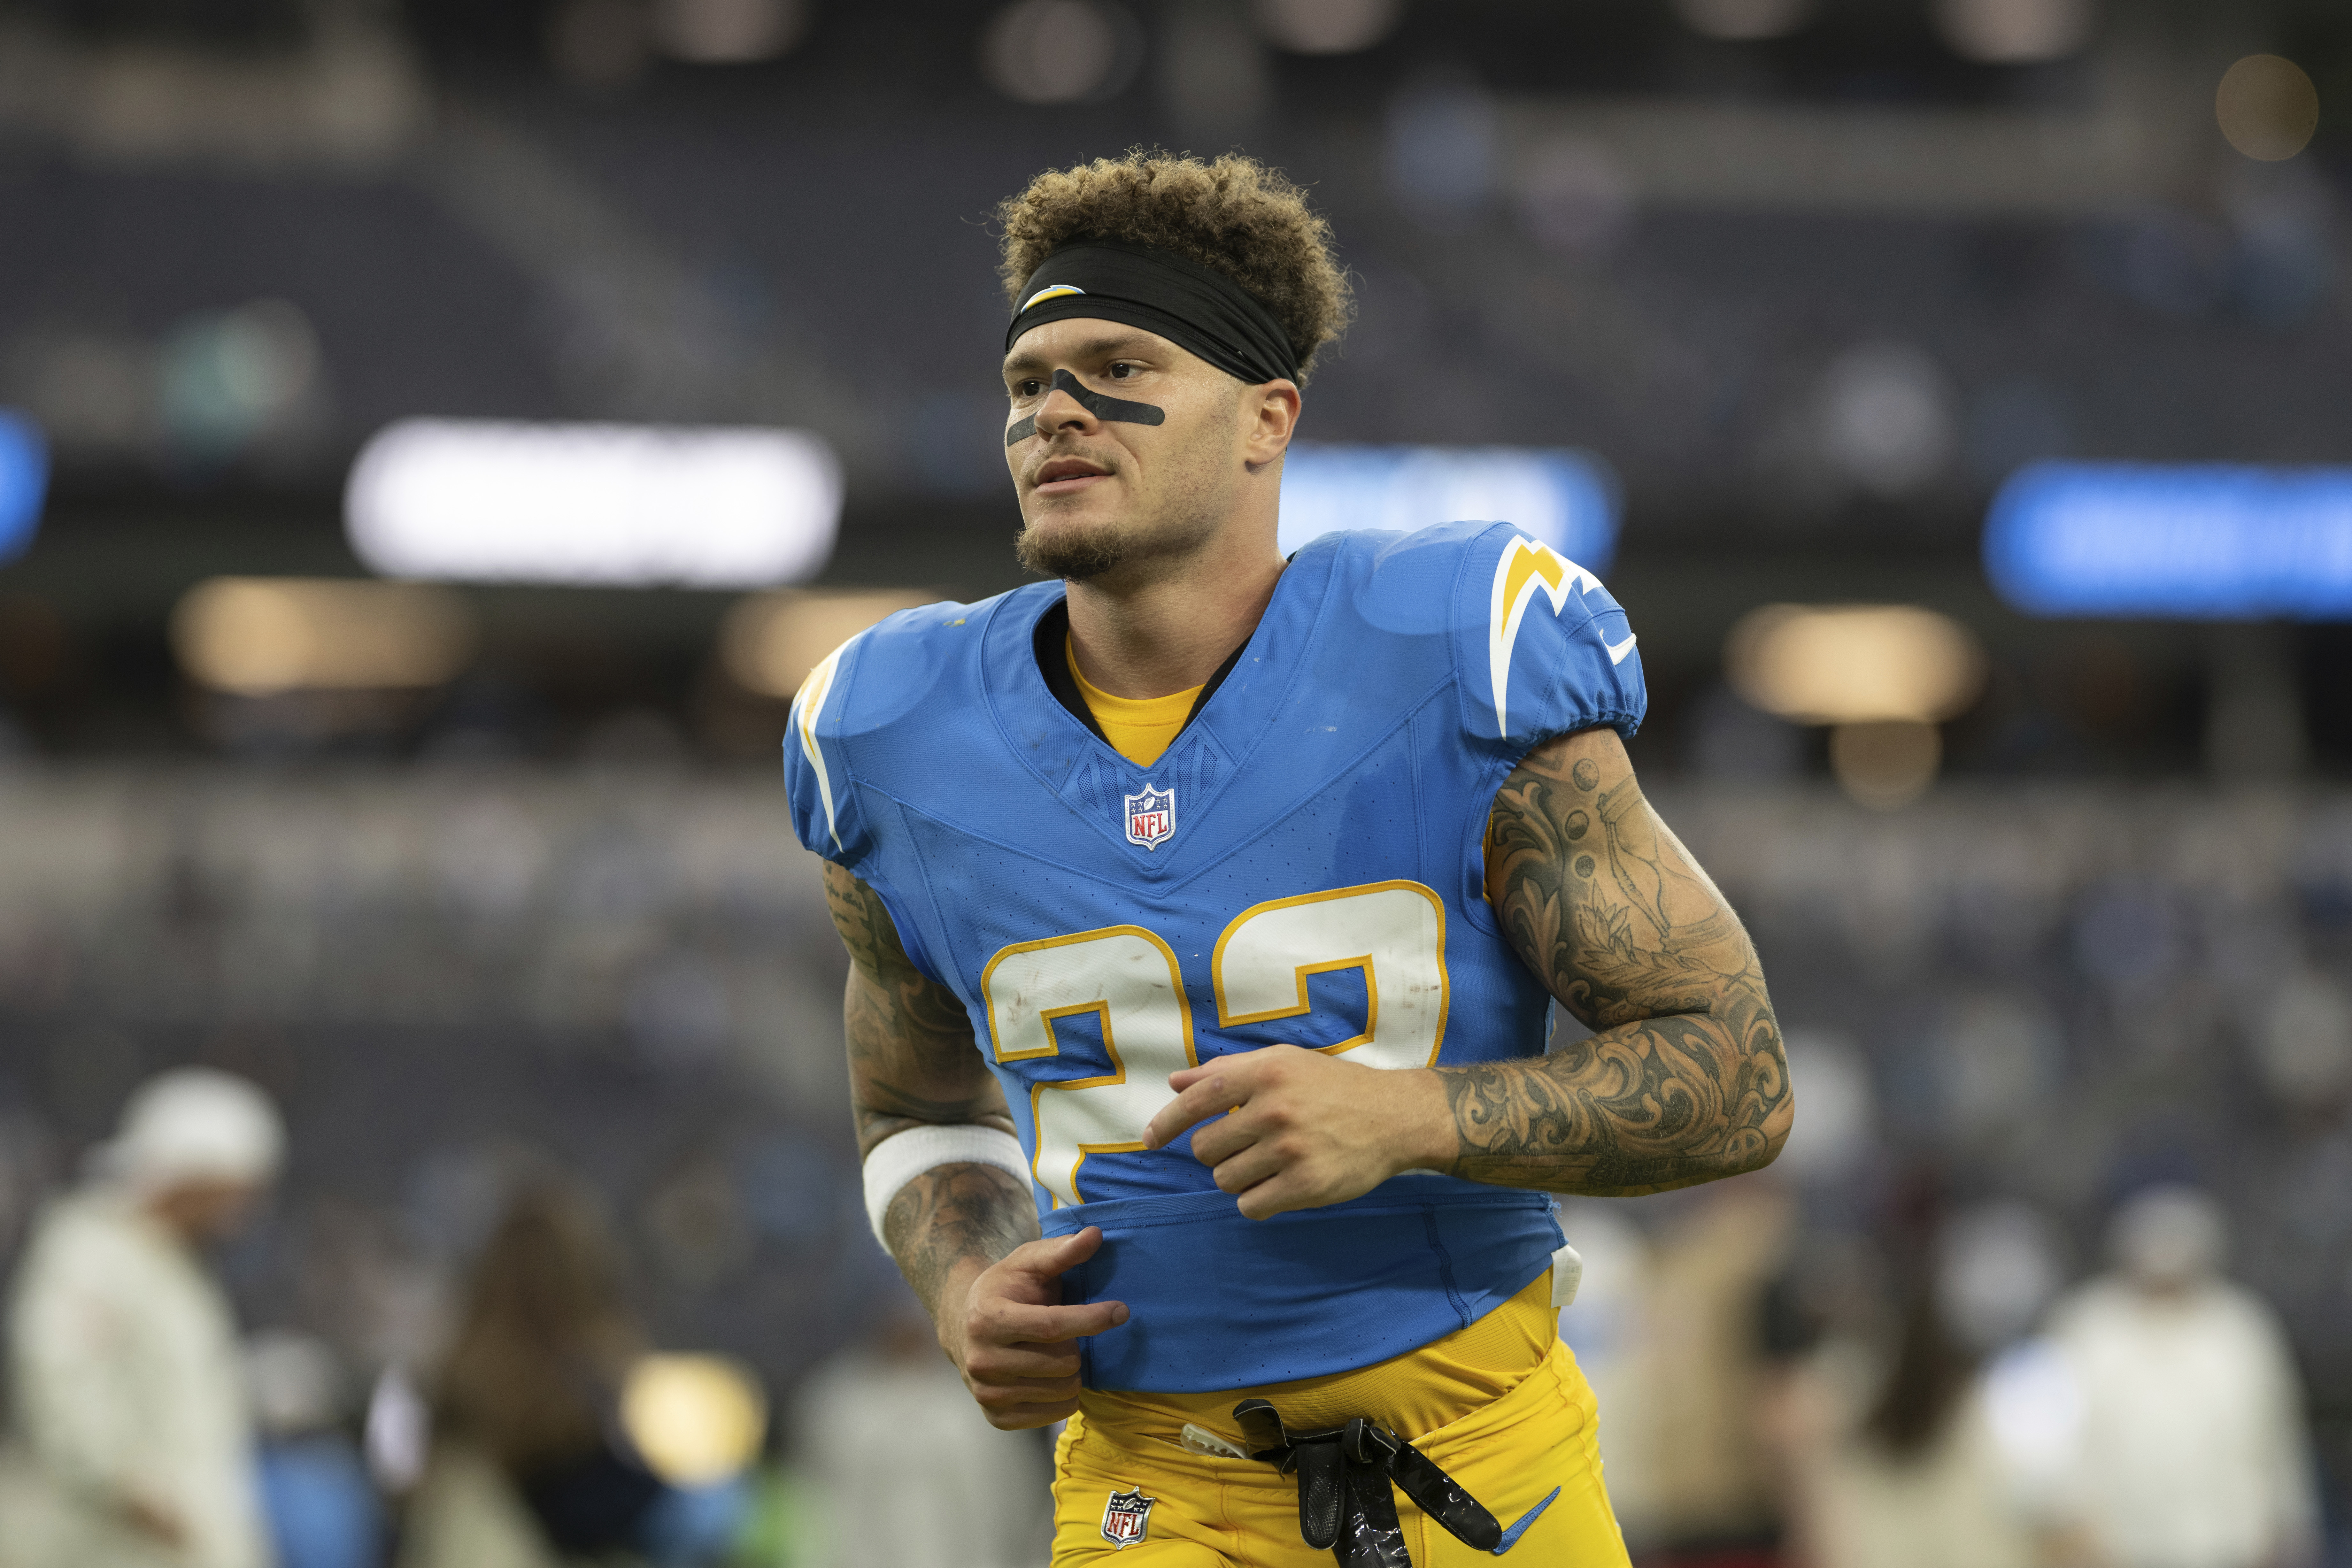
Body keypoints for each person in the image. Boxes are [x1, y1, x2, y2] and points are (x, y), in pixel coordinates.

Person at [784, 150, 1791, 1566]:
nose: (1055, 411)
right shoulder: (888, 733)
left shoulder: (1452, 654)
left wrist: (1411, 1118)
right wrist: (967, 1277)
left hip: (1486, 1459)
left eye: (1117, 363)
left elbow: (1734, 1072)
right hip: (1153, 1486)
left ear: (1269, 416)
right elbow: (915, 1110)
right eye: (1028, 382)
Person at [1, 1067, 284, 1568]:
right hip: (105, 1545)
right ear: (193, 1178)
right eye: (234, 1190)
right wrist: (129, 1491)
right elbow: (62, 1385)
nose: (243, 1210)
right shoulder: (89, 1253)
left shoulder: (169, 1264)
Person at [2042, 1186, 2318, 1568]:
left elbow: (2278, 1439)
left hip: (2227, 1548)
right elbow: (2049, 1442)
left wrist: (2287, 1527)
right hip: (2116, 1552)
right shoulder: (2084, 1327)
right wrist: (2063, 1526)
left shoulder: (2240, 1326)